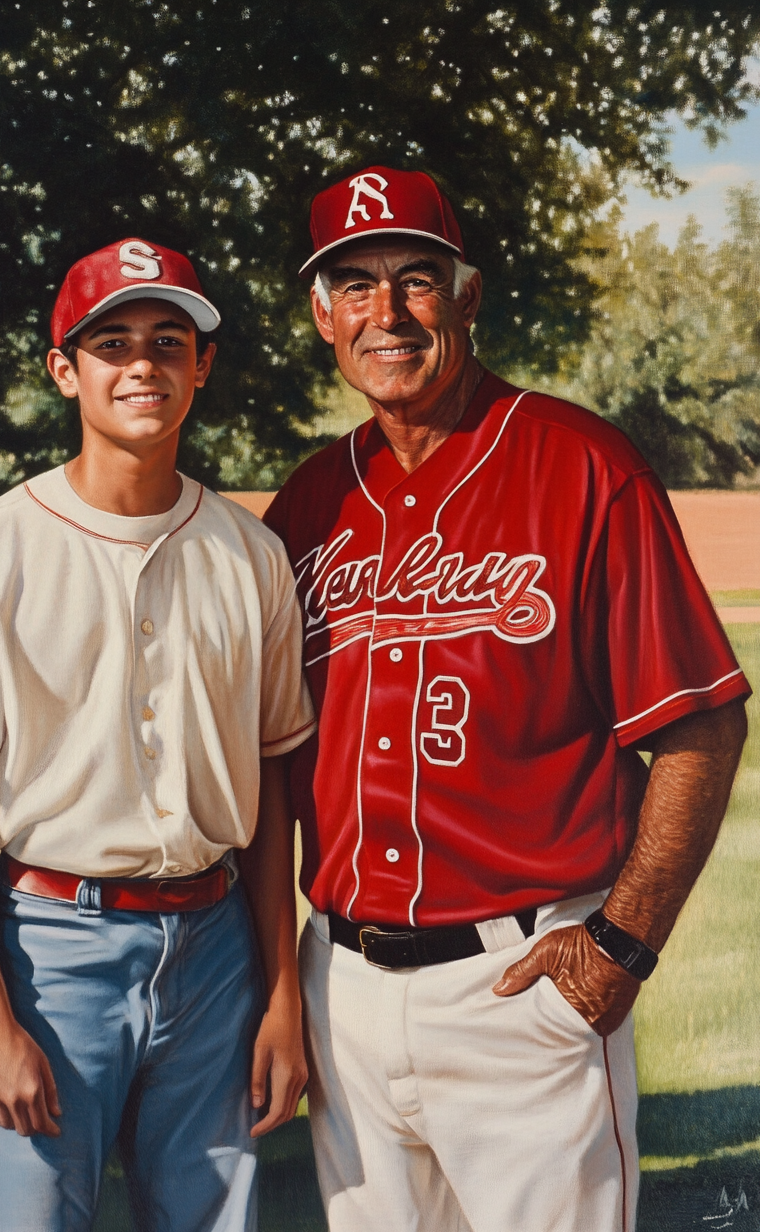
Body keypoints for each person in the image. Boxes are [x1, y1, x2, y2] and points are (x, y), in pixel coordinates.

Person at [264, 167, 750, 1232]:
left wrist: (621, 944)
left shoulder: (582, 464)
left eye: (414, 280)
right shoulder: (307, 500)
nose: (384, 313)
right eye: (352, 284)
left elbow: (701, 721)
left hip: (522, 981)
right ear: (319, 314)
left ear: (467, 295)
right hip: (340, 981)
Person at [0, 237, 315, 1232]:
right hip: (48, 949)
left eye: (168, 339)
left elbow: (271, 792)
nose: (142, 364)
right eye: (111, 342)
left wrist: (281, 993)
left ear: (203, 364)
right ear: (64, 369)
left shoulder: (252, 556)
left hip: (216, 949)